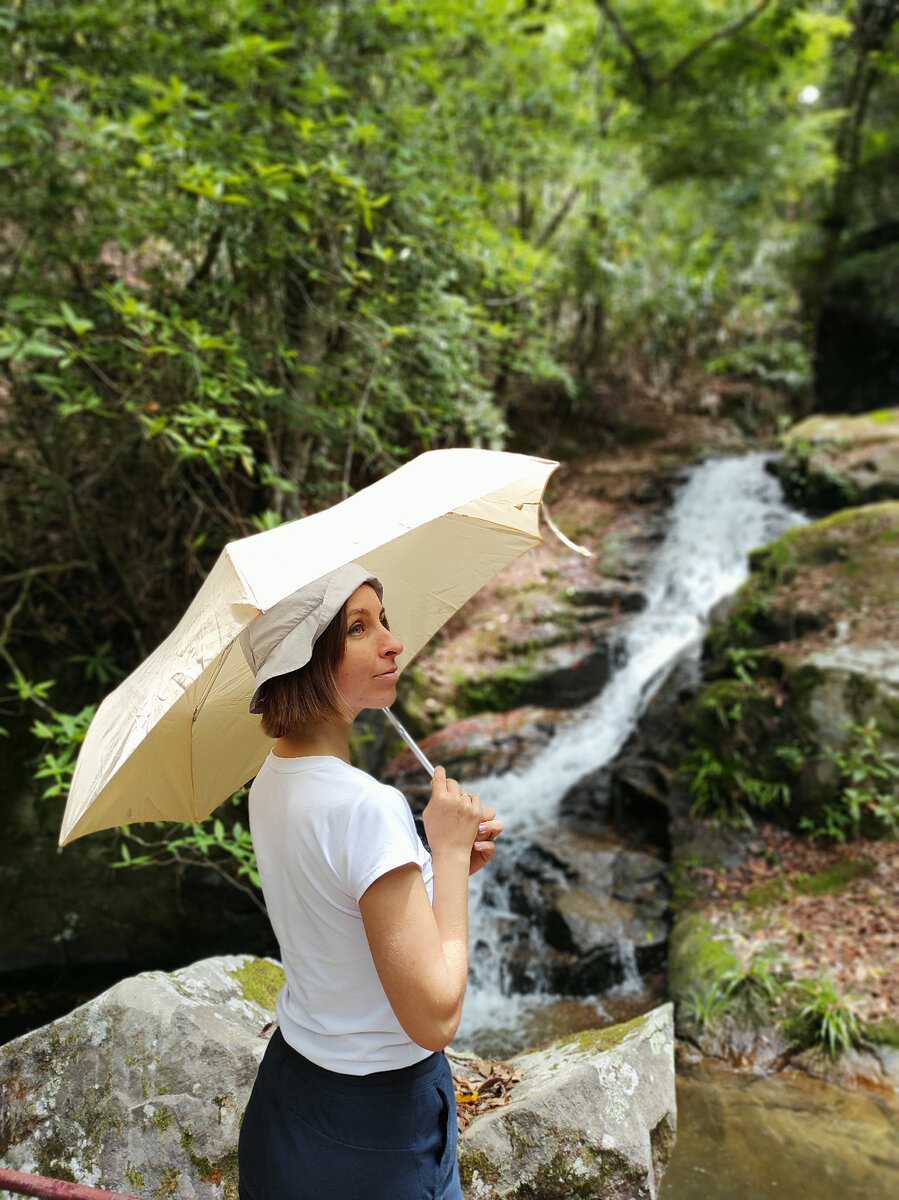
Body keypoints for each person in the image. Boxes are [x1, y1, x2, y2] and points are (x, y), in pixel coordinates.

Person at [236, 562, 503, 1200]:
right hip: (381, 1128)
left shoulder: (271, 781)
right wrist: (443, 851)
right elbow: (435, 1017)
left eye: (382, 619)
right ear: (307, 661)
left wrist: (441, 871)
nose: (392, 641)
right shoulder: (367, 807)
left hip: (292, 1100)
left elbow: (344, 927)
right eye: (359, 628)